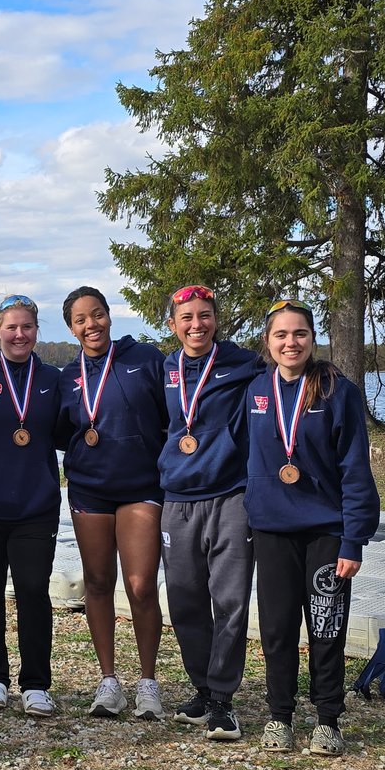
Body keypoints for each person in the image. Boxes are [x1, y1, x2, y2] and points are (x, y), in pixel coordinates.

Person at [245, 299, 380, 756]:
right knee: (277, 629)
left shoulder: (337, 391)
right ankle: (279, 716)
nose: (291, 342)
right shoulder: (256, 389)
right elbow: (245, 455)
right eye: (281, 335)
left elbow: (355, 470)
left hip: (326, 531)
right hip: (272, 531)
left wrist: (354, 540)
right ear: (268, 342)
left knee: (326, 627)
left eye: (299, 333)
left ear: (312, 338)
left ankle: (327, 720)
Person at [56, 286, 168, 720]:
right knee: (98, 582)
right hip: (89, 489)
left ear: (109, 315)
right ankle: (108, 681)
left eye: (98, 314)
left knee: (140, 584)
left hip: (141, 486)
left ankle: (148, 682)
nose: (92, 325)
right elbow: (60, 431)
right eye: (81, 320)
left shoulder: (146, 359)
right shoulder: (68, 375)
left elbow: (172, 414)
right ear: (71, 328)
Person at [158, 285, 265, 741]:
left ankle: (222, 698)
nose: (196, 324)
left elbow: (289, 372)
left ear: (216, 319)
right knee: (184, 600)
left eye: (204, 315)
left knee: (230, 601)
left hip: (230, 495)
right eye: (187, 317)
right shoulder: (166, 368)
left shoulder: (245, 363)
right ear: (173, 325)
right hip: (177, 498)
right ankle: (202, 689)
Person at [0, 294, 62, 717]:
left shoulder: (52, 378)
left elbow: (69, 431)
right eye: (12, 327)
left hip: (35, 507)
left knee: (33, 593)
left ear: (37, 331)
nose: (19, 334)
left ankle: (36, 683)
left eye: (27, 327)